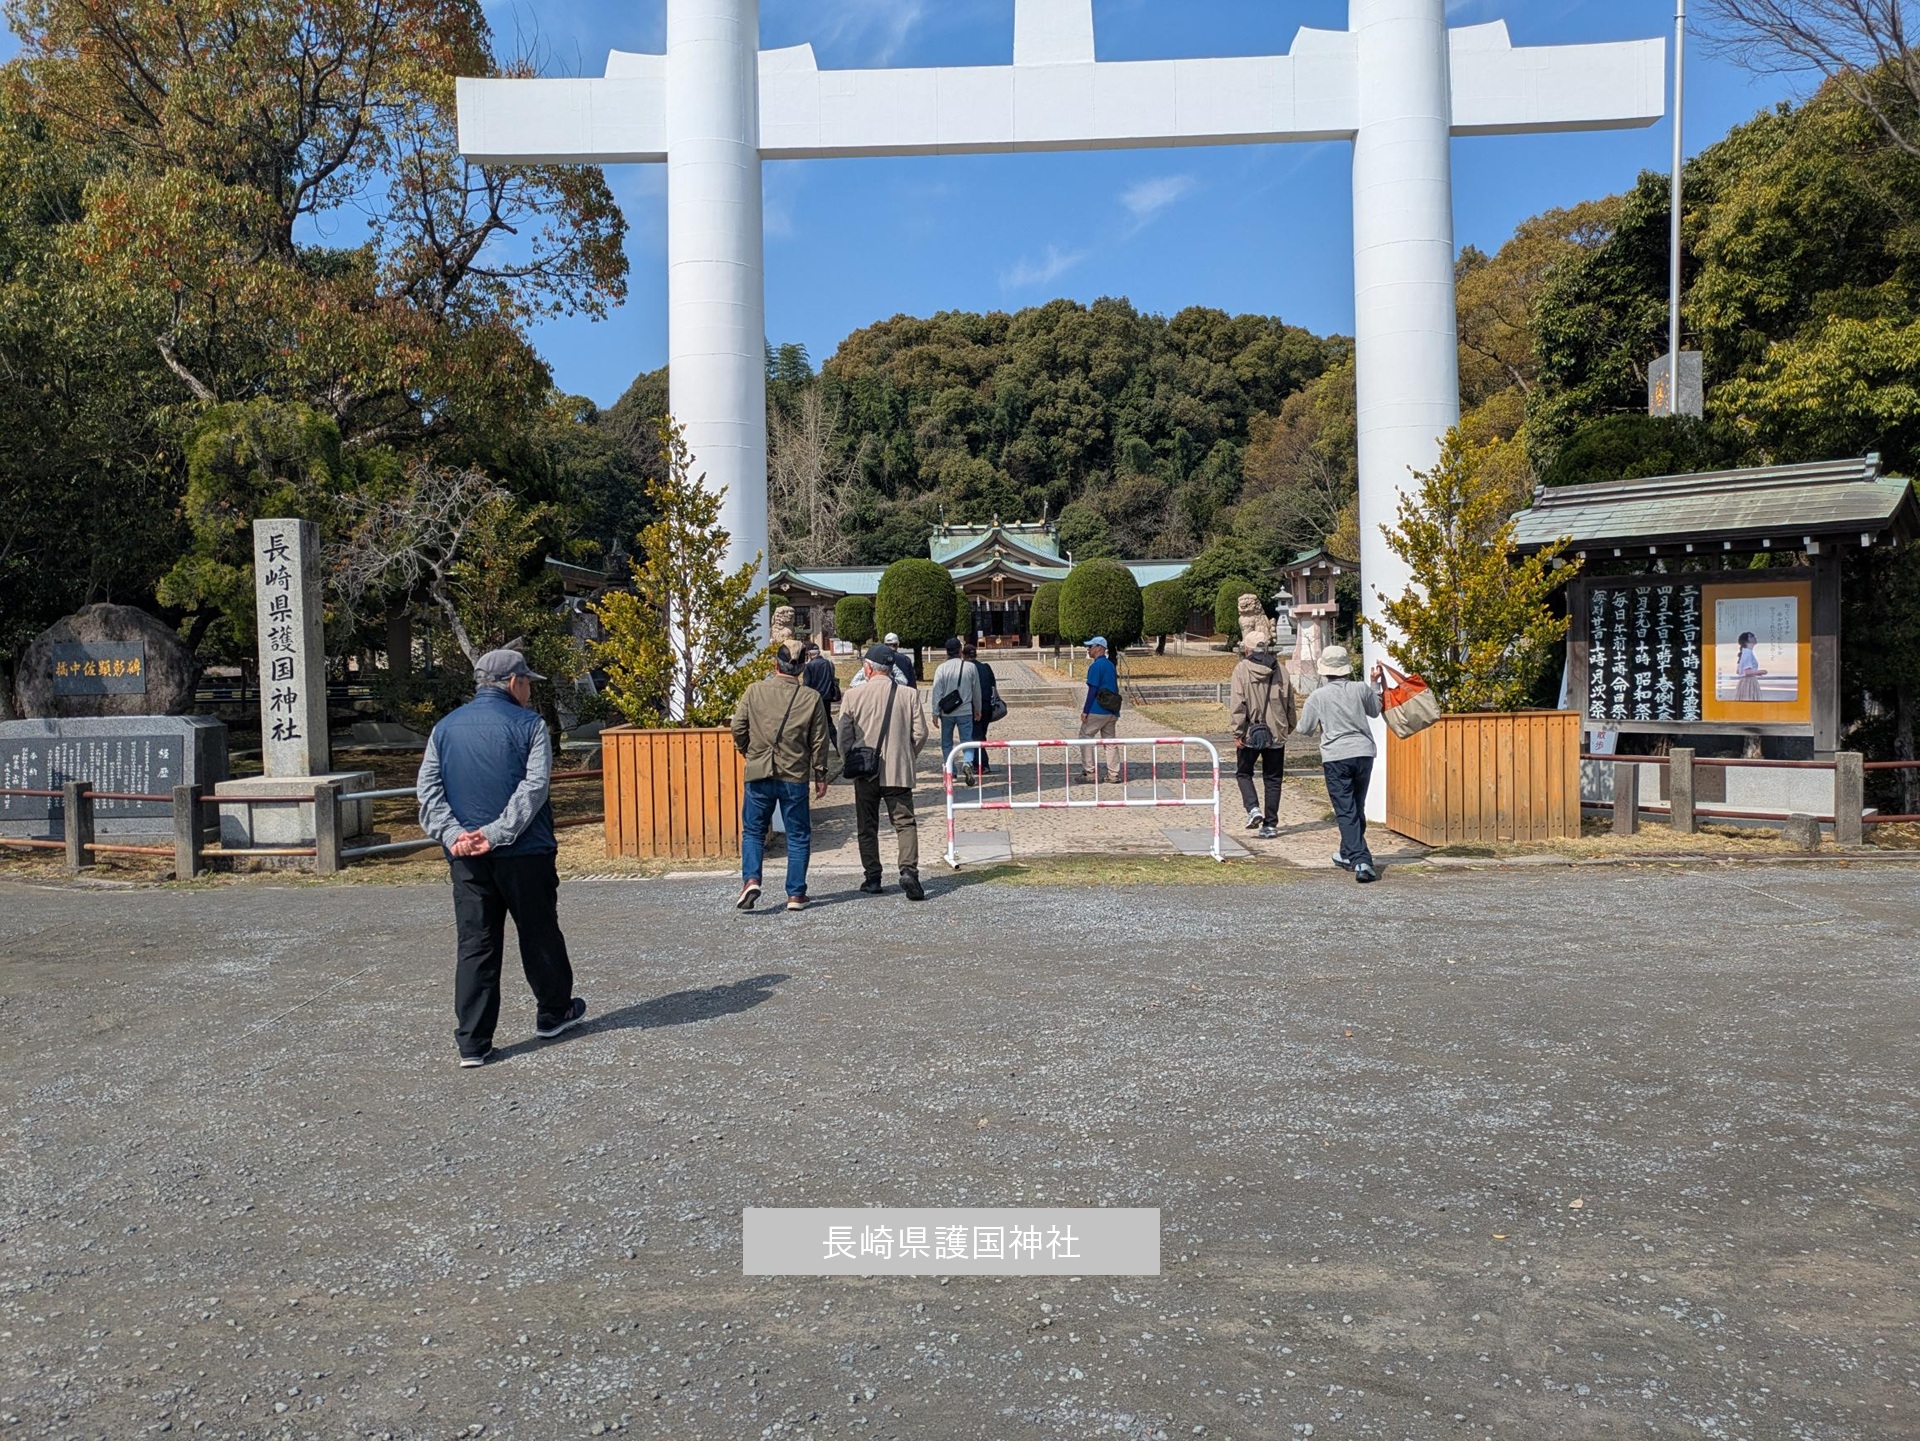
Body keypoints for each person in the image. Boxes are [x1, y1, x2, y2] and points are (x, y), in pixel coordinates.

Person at [417, 648, 585, 1068]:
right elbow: (534, 788)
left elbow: (429, 792)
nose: (529, 690)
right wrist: (495, 834)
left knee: (476, 943)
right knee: (539, 931)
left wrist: (455, 835)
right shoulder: (530, 725)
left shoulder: (444, 728)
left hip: (465, 856)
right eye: (527, 682)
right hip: (525, 850)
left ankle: (473, 1041)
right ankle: (553, 1012)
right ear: (513, 682)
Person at [730, 641, 832, 911]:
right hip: (794, 773)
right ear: (802, 668)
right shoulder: (811, 698)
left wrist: (748, 751)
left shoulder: (754, 691)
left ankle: (751, 879)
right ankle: (795, 894)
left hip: (759, 771)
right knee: (797, 835)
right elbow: (819, 740)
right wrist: (820, 774)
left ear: (776, 664)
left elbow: (737, 726)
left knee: (753, 831)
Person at [838, 643, 931, 900]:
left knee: (867, 825)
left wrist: (850, 759)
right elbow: (921, 733)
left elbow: (844, 736)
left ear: (868, 668)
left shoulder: (853, 696)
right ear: (890, 669)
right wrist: (908, 754)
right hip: (898, 770)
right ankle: (909, 870)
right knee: (905, 822)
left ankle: (872, 877)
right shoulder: (909, 695)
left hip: (864, 770)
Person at [1295, 645, 1385, 884]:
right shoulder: (1360, 688)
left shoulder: (1318, 696)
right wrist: (1374, 684)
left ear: (1325, 670)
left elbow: (1304, 728)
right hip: (1363, 752)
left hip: (1336, 756)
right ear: (1346, 667)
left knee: (1345, 809)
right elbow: (1375, 710)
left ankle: (1361, 860)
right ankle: (1347, 852)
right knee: (1356, 805)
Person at [1230, 636, 1298, 839]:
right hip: (1276, 730)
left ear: (1247, 649)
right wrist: (1288, 726)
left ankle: (1253, 808)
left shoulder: (1241, 669)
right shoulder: (1281, 670)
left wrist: (1237, 731)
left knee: (1244, 773)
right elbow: (1290, 703)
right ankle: (1270, 825)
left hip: (1250, 731)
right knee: (1273, 779)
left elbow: (1238, 704)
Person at [931, 636, 982, 782]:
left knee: (947, 742)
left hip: (947, 712)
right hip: (965, 710)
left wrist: (935, 712)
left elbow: (937, 692)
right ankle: (967, 763)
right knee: (967, 740)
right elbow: (976, 690)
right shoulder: (970, 667)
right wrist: (978, 709)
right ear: (960, 651)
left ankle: (951, 771)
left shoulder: (941, 668)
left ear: (946, 652)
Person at [1078, 637, 1122, 782]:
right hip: (1112, 709)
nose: (1088, 649)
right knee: (1110, 742)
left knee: (1085, 736)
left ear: (1099, 648)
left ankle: (1089, 771)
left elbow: (1093, 690)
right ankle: (1113, 774)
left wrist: (1086, 710)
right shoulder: (1110, 665)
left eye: (1090, 646)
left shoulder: (1096, 666)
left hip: (1098, 709)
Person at [965, 642, 1000, 776]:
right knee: (981, 735)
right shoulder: (986, 667)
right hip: (987, 707)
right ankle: (979, 762)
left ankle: (982, 764)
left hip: (974, 707)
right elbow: (993, 686)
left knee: (976, 736)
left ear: (964, 655)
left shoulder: (967, 669)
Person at [801, 641, 841, 749]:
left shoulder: (809, 666)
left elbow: (806, 684)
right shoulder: (828, 663)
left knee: (811, 723)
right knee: (829, 722)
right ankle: (839, 747)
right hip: (827, 697)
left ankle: (811, 748)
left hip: (813, 698)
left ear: (810, 654)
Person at [1734, 631, 1767, 703]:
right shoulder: (1747, 652)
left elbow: (1738, 671)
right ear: (1746, 641)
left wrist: (1756, 673)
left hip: (1744, 682)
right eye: (1751, 636)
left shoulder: (1745, 652)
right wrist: (1763, 671)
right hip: (1749, 682)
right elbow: (1747, 672)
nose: (1754, 637)